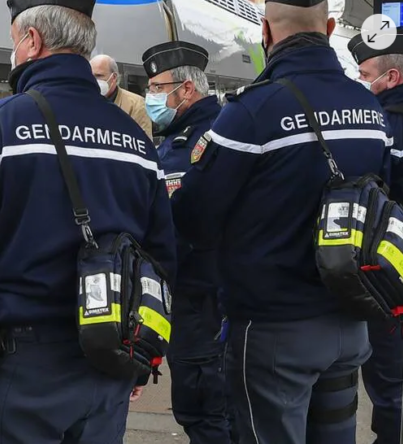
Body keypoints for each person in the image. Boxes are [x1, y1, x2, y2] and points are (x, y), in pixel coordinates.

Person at [0, 1, 177, 442]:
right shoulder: (136, 142)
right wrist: (144, 357)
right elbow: (163, 262)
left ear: (31, 41)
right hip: (108, 361)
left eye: (13, 38)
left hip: (19, 372)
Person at [169, 0, 392, 441]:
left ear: (266, 34)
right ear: (329, 28)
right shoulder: (369, 109)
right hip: (351, 320)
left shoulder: (253, 110)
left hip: (275, 330)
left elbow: (194, 218)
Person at [140, 41, 236, 444]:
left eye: (158, 87)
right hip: (187, 295)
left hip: (205, 297)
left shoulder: (212, 137)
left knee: (205, 408)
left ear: (186, 89)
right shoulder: (175, 137)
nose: (152, 96)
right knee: (197, 407)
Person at [346, 31, 403, 444]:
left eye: (363, 73)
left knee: (391, 377)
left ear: (390, 77)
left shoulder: (391, 126)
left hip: (395, 270)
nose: (359, 80)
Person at [90, 54, 152, 139]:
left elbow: (145, 144)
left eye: (99, 76)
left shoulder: (136, 104)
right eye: (91, 77)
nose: (94, 81)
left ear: (114, 77)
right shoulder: (85, 101)